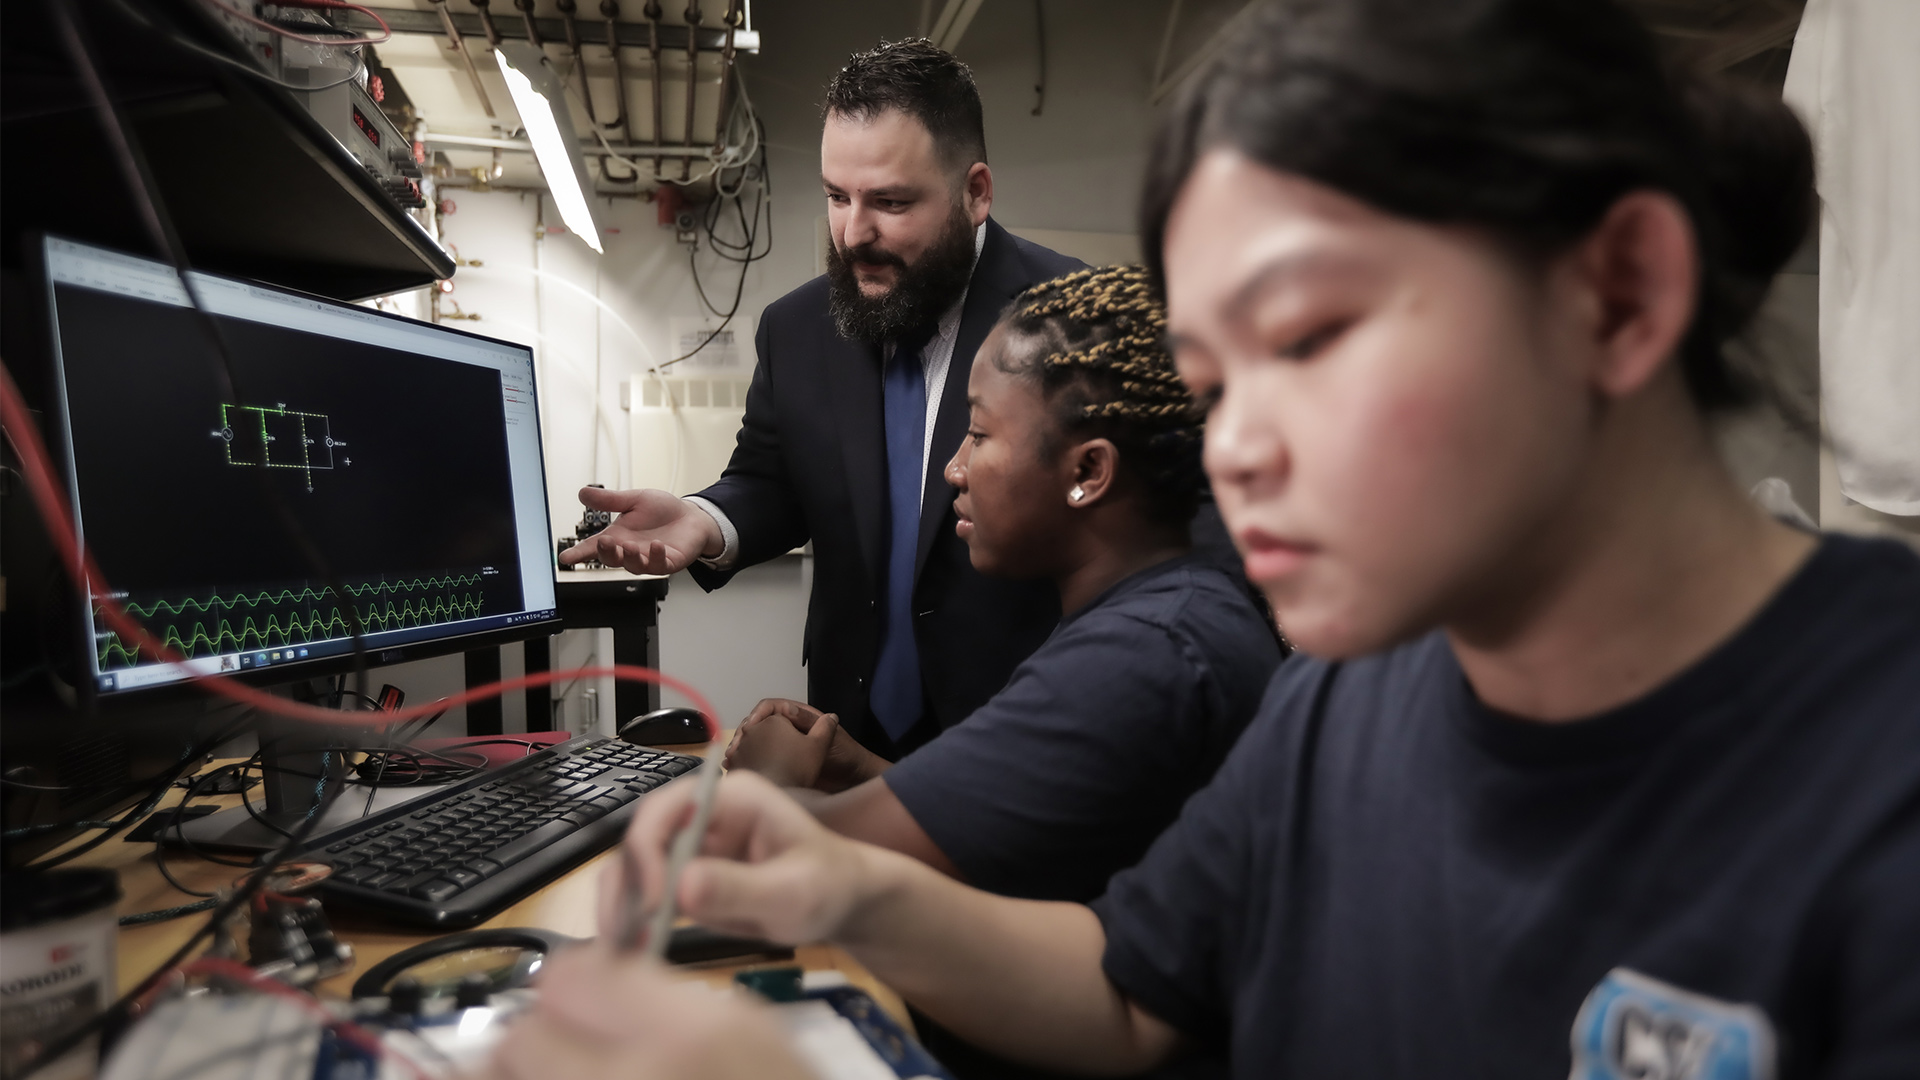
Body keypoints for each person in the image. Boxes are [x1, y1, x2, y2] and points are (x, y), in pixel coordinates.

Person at [490, 1, 1920, 1077]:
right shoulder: (1350, 690)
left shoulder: (1874, 780)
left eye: (1309, 338)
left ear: (1616, 297)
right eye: (1216, 382)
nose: (1232, 448)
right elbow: (1128, 987)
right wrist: (847, 884)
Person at [560, 40, 1083, 761]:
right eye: (838, 196)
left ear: (976, 191)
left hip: (1023, 730)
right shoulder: (797, 328)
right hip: (850, 724)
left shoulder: (1073, 317)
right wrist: (705, 519)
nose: (854, 234)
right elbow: (773, 479)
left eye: (891, 202)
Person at [722, 265, 1283, 905]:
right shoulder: (1169, 608)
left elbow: (767, 861)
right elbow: (1013, 833)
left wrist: (766, 786)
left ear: (1090, 470)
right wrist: (862, 773)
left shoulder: (1138, 658)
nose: (954, 470)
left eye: (981, 434)